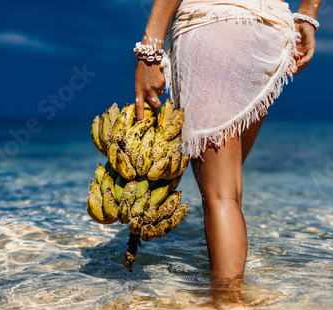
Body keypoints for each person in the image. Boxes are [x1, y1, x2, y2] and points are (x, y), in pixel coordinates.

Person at [134, 0, 321, 283]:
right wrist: (307, 15)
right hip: (271, 30)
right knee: (229, 187)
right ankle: (225, 284)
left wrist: (150, 49)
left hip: (213, 25)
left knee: (221, 195)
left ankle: (229, 308)